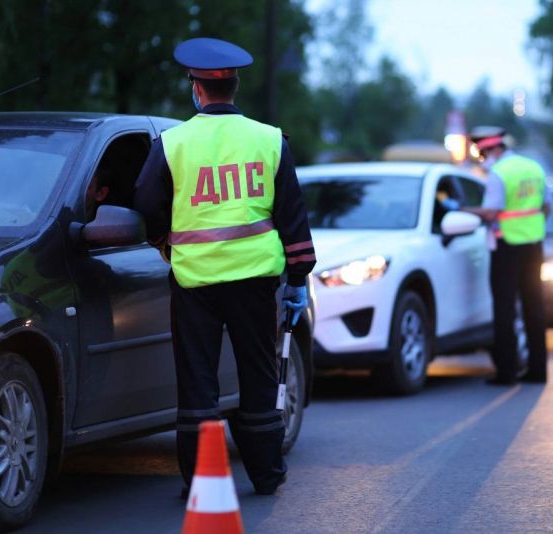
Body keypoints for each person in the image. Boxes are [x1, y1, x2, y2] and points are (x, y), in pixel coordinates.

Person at [133, 37, 316, 496]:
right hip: (256, 283)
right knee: (258, 376)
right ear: (235, 87)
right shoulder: (269, 139)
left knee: (198, 382)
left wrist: (165, 243)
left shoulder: (171, 144)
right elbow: (292, 216)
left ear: (195, 89)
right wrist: (298, 280)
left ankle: (200, 480)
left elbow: (146, 206)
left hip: (194, 283)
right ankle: (266, 474)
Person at [461, 126, 551, 385]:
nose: (482, 159)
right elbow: (547, 206)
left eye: (482, 153)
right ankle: (538, 370)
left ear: (492, 150)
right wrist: (531, 227)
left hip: (506, 246)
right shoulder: (534, 168)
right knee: (534, 307)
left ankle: (507, 372)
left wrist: (465, 209)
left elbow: (491, 213)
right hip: (534, 245)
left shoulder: (499, 174)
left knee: (505, 309)